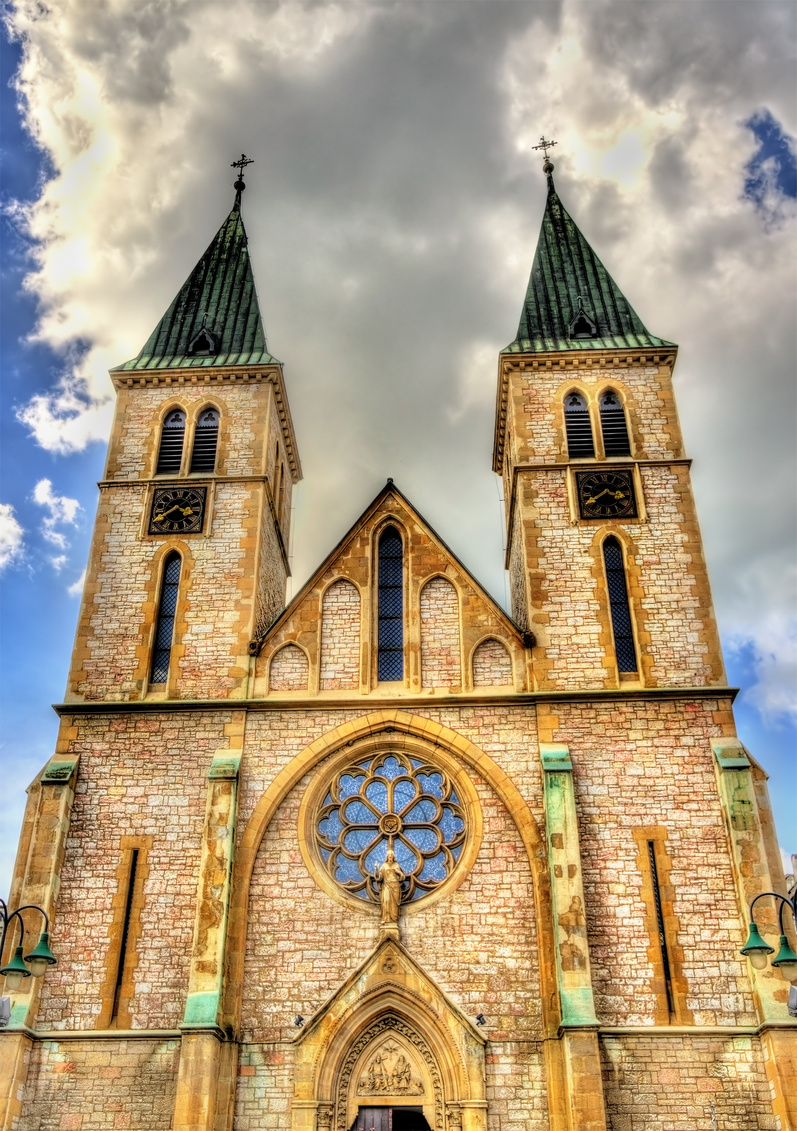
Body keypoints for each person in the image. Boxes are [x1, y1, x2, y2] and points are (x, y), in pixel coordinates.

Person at [376, 849, 405, 924]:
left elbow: (402, 877)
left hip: (395, 886)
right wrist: (376, 870)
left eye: (391, 856)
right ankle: (386, 919)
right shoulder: (384, 866)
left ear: (393, 857)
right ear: (387, 857)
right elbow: (379, 877)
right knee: (386, 901)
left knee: (394, 905)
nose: (390, 857)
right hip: (386, 886)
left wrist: (398, 872)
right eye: (389, 856)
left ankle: (393, 919)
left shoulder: (396, 865)